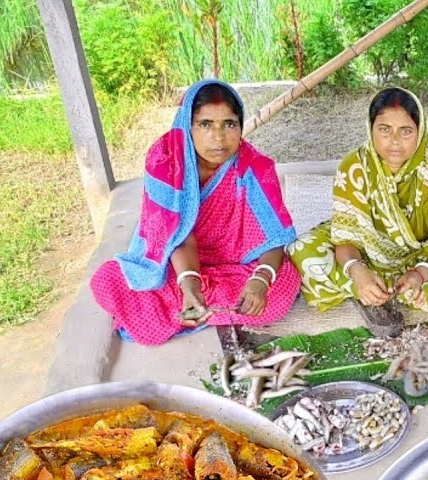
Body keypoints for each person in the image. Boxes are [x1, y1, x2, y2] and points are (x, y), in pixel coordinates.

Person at [90, 79, 299, 345]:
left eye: (229, 124)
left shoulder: (254, 167)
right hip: (176, 263)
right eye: (205, 124)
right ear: (187, 126)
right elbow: (174, 236)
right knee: (108, 280)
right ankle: (203, 307)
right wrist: (190, 286)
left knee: (281, 288)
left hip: (235, 264)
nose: (219, 138)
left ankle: (185, 313)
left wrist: (261, 280)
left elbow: (274, 238)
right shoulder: (165, 161)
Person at [288, 88, 428, 312]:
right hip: (363, 251)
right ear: (370, 129)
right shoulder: (353, 167)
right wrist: (356, 270)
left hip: (417, 257)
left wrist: (420, 274)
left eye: (405, 131)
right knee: (301, 249)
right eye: (384, 130)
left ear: (420, 132)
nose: (394, 141)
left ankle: (385, 291)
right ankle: (373, 288)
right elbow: (346, 240)